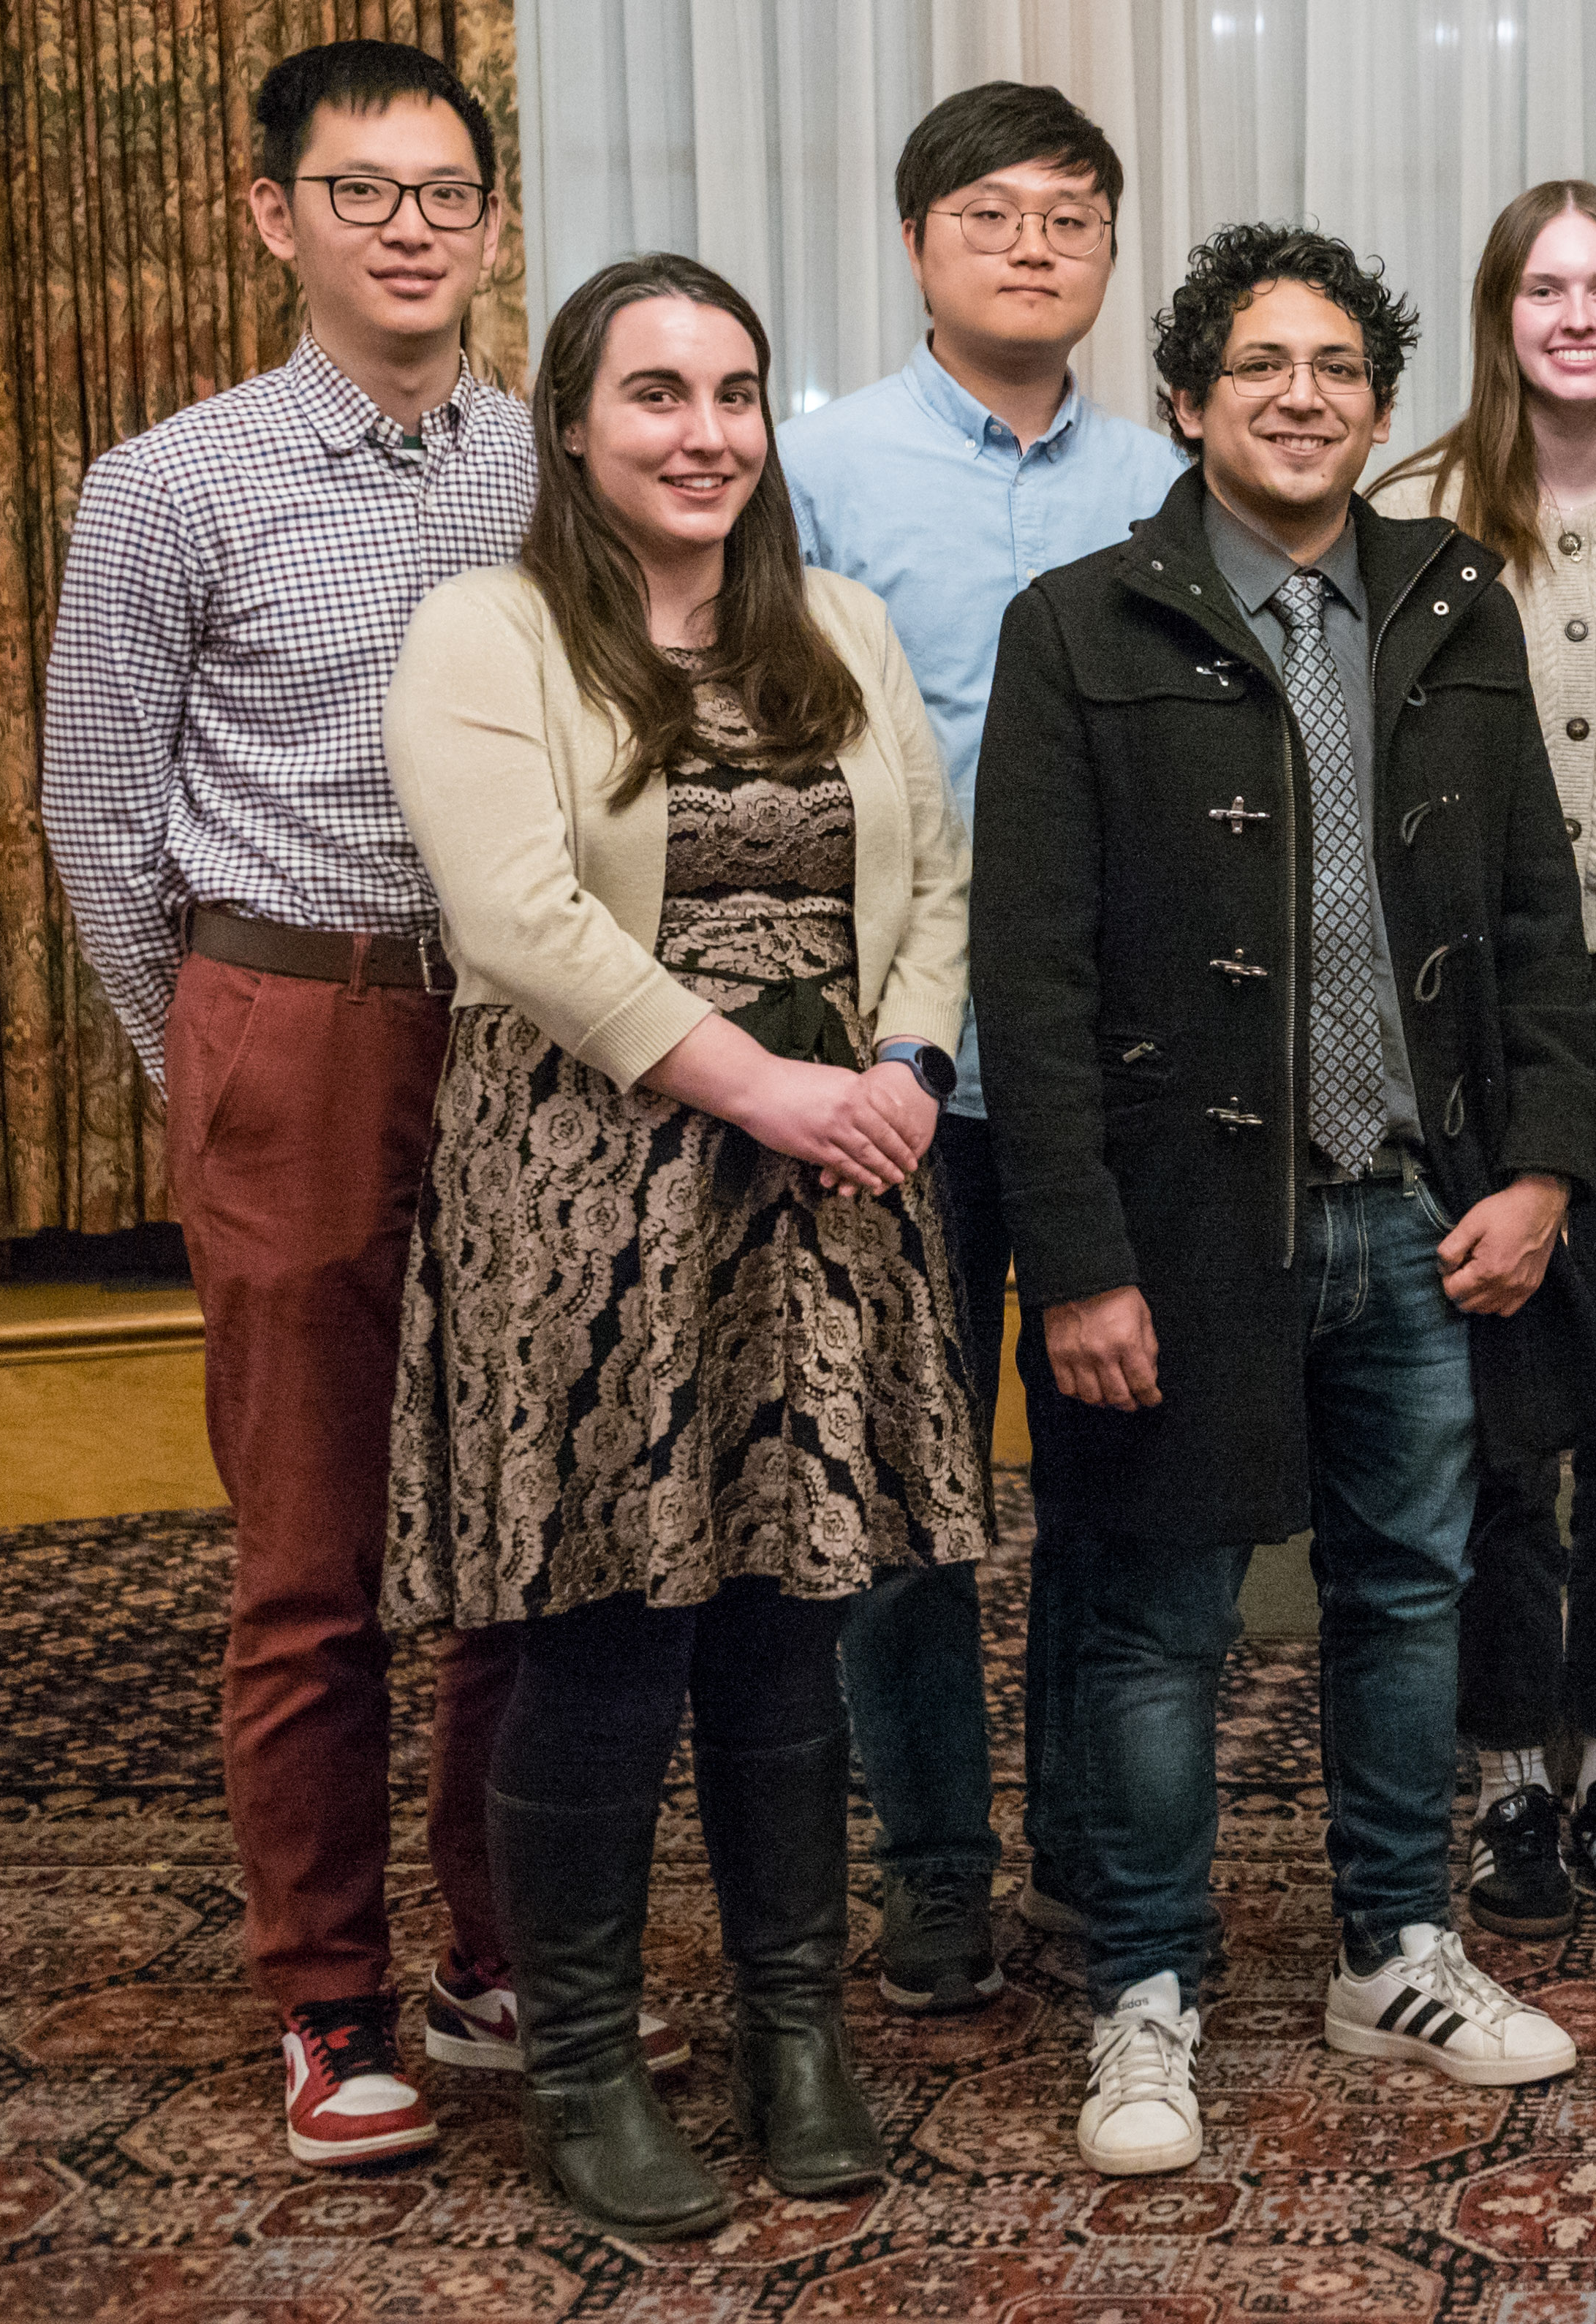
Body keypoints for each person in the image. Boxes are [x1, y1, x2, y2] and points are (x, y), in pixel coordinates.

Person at [37, 39, 646, 2167]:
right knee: (308, 1558)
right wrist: (214, 1056)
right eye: (360, 188)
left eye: (443, 189)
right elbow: (103, 822)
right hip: (288, 1026)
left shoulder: (549, 468)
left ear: (491, 218)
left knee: (514, 1531)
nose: (408, 224)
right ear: (271, 213)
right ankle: (329, 1996)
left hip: (523, 1038)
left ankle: (496, 1946)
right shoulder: (171, 482)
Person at [973, 224, 1596, 2181]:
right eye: (1259, 363)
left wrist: (1543, 1170)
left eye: (1338, 364)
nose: (1303, 392)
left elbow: (1531, 917)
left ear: (1383, 402)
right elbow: (1033, 965)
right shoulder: (1080, 624)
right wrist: (1073, 1259)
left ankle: (1394, 1945)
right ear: (1186, 397)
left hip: (1418, 1214)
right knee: (1161, 1621)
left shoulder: (1450, 594)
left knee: (1408, 1592)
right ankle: (1147, 1985)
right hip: (1178, 1232)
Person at [379, 253, 986, 2239]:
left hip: (826, 1193)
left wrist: (900, 1056)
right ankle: (574, 2059)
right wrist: (771, 1087)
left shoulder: (840, 625)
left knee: (790, 1628)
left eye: (732, 394)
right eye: (655, 395)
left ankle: (792, 2033)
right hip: (594, 1182)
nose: (703, 431)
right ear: (570, 423)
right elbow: (521, 921)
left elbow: (934, 872)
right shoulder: (484, 630)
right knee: (607, 1639)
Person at [782, 80, 1187, 2013]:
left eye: (1070, 218)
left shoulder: (1167, 479)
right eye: (992, 216)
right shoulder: (822, 465)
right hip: (896, 1071)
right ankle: (931, 1868)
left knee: (1117, 1492)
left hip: (1121, 1072)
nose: (1033, 248)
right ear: (919, 239)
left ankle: (1102, 1867)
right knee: (899, 1496)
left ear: (1109, 252)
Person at [1372, 182, 1596, 1942]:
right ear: (1497, 310)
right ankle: (1510, 1781)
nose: (1575, 314)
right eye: (1543, 285)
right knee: (1497, 1432)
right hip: (1480, 1013)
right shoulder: (1407, 521)